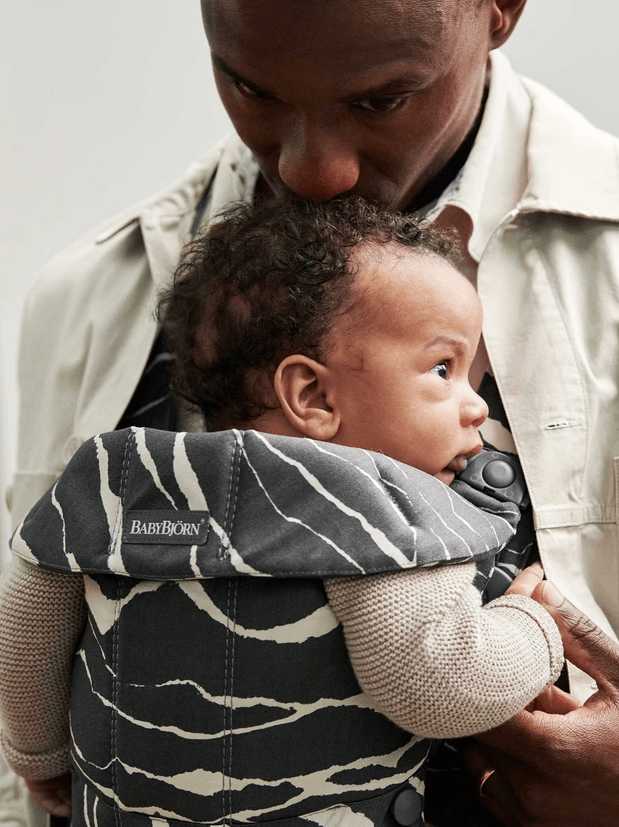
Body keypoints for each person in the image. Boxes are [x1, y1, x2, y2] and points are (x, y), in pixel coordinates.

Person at [7, 0, 619, 824]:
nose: (312, 173)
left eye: (381, 99)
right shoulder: (82, 296)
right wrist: (532, 626)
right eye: (250, 87)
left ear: (501, 9)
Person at [0, 197, 563, 827]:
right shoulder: (370, 514)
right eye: (443, 368)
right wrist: (533, 625)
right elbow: (438, 686)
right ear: (313, 395)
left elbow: (25, 633)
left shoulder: (115, 481)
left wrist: (40, 756)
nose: (476, 406)